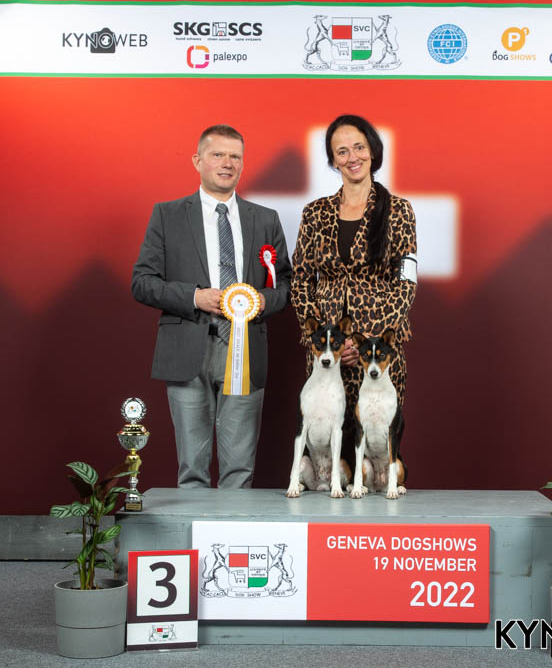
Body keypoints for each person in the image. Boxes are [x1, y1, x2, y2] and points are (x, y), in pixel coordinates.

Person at [132, 124, 291, 488]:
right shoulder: (167, 215)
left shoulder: (265, 218)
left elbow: (286, 284)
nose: (227, 163)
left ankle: (234, 526)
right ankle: (195, 527)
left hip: (246, 351)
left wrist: (260, 301)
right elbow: (142, 282)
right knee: (192, 468)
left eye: (235, 157)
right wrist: (195, 296)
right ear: (197, 160)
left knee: (240, 469)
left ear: (243, 164)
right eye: (217, 154)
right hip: (187, 350)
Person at [291, 114, 417, 460]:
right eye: (342, 151)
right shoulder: (315, 213)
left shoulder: (399, 211)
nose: (352, 157)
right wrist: (324, 338)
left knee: (377, 450)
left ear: (373, 151)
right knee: (324, 451)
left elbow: (405, 282)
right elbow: (301, 278)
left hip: (378, 350)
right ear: (333, 161)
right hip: (326, 352)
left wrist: (365, 343)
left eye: (359, 147)